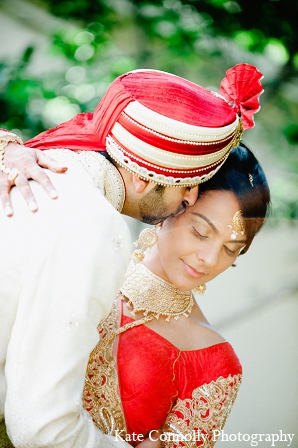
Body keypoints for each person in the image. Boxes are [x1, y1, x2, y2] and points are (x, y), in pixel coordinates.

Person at [0, 64, 263, 448]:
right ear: (144, 176)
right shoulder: (91, 226)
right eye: (187, 188)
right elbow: (43, 428)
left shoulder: (33, 169)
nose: (186, 198)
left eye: (231, 250)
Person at [81, 143, 270, 446]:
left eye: (230, 250)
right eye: (201, 232)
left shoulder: (215, 364)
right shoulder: (85, 265)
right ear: (175, 203)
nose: (209, 258)